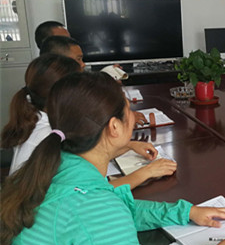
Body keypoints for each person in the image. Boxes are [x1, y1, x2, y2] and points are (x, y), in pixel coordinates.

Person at [0, 71, 225, 245]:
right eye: (129, 111)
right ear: (114, 127)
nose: (134, 117)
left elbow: (119, 210)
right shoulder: (90, 204)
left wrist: (186, 212)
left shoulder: (57, 166)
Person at [1, 56, 175, 190]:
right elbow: (93, 192)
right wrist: (147, 172)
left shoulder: (43, 119)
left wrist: (129, 145)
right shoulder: (49, 134)